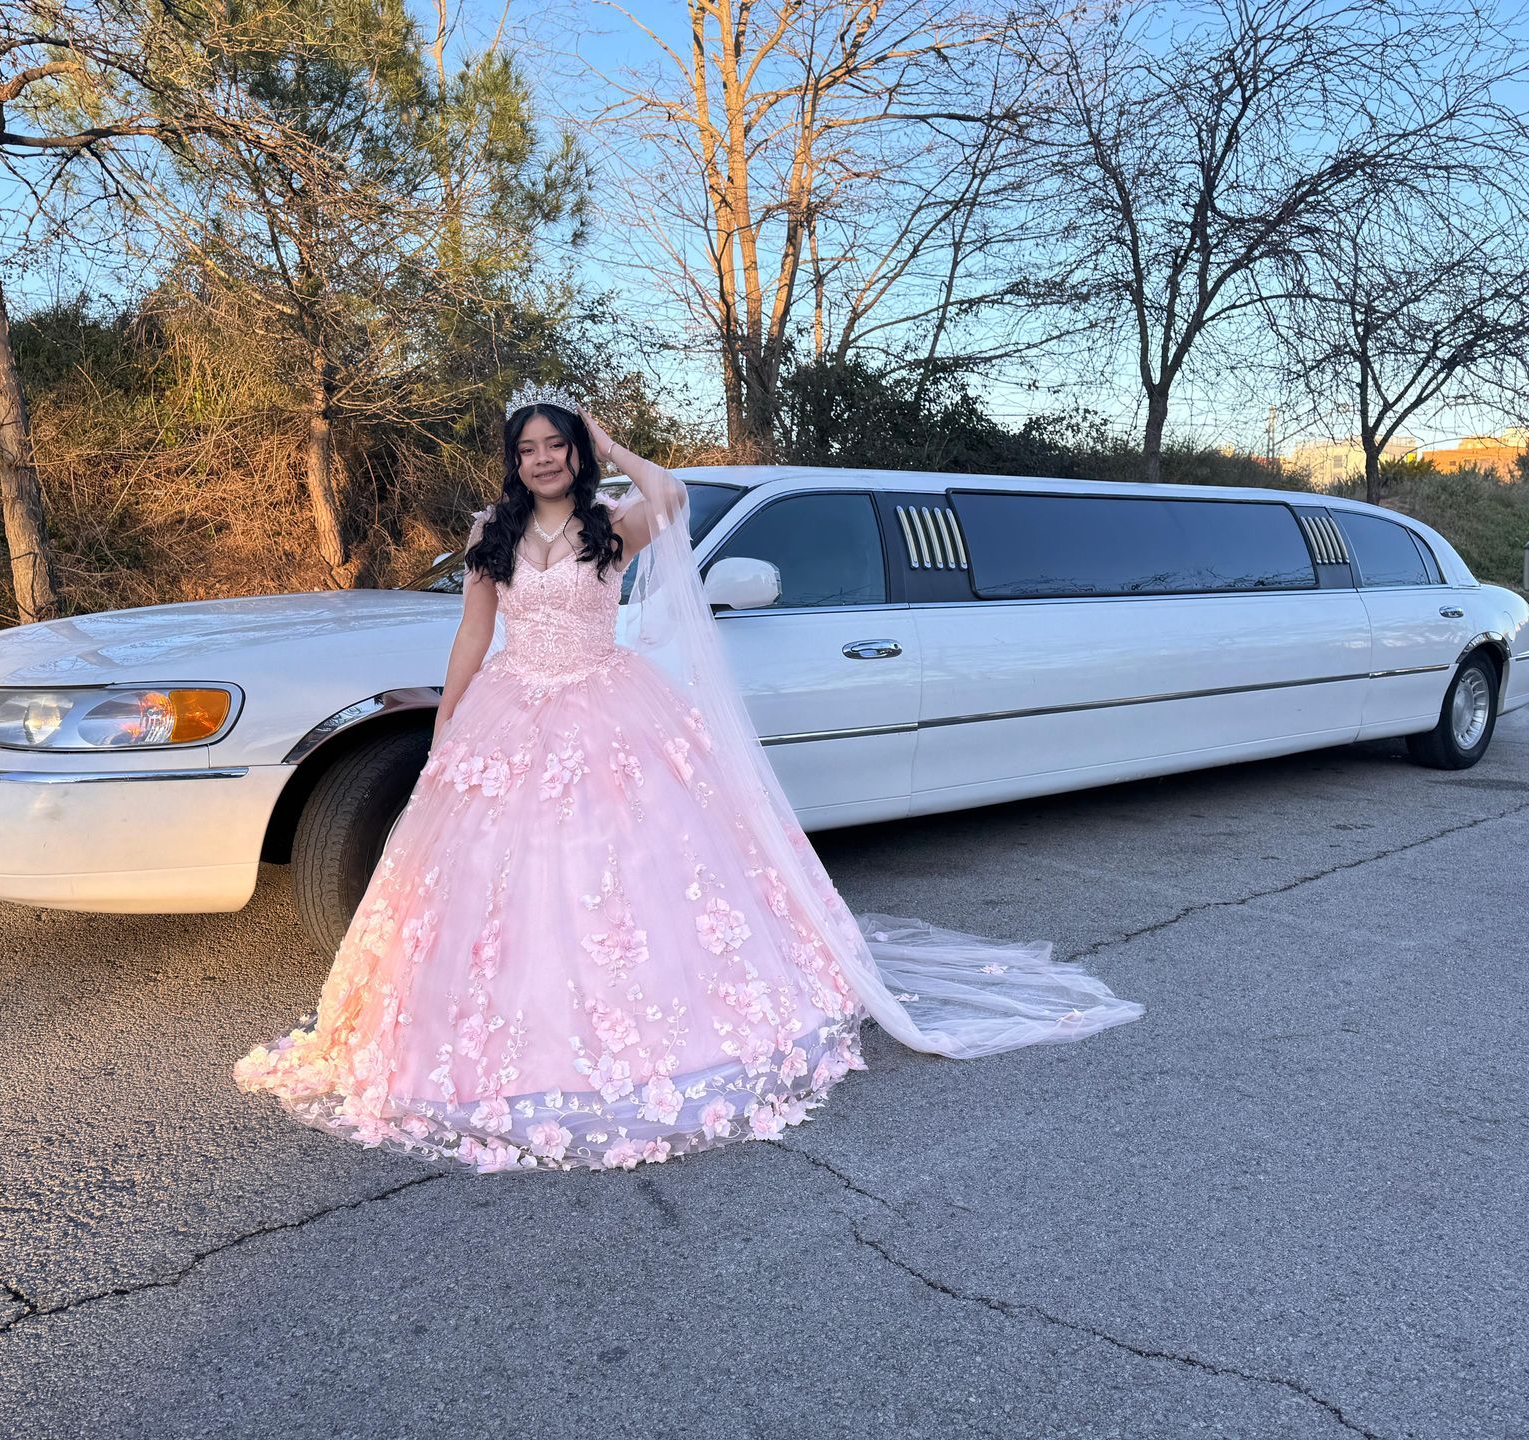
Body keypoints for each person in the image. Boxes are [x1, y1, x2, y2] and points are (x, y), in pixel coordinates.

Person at [236, 383, 1142, 1172]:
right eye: (530, 449)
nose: (545, 459)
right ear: (511, 462)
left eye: (558, 446)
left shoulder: (612, 524)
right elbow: (471, 636)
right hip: (512, 710)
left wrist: (606, 436)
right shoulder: (490, 533)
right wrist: (449, 728)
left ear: (575, 452)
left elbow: (669, 492)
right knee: (495, 881)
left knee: (629, 871)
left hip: (606, 704)